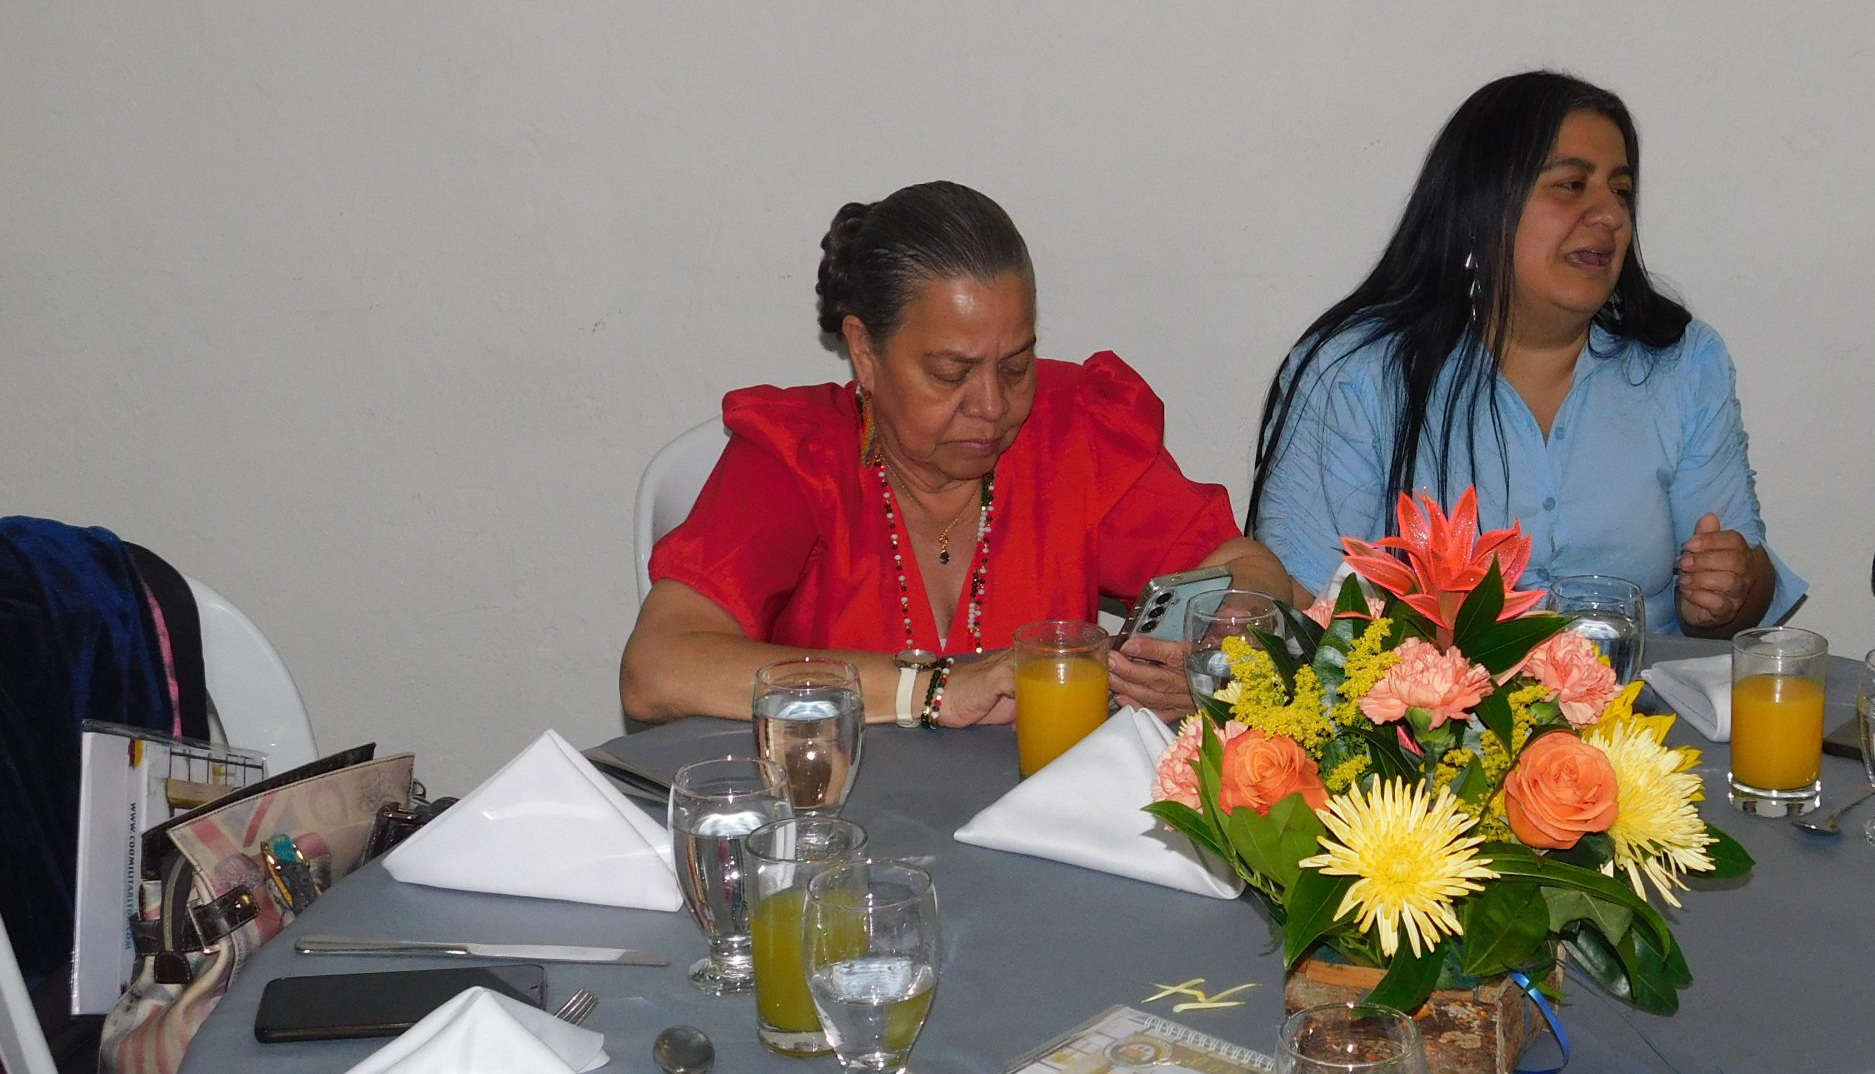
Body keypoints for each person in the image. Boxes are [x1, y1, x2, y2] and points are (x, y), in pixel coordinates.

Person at [622, 184, 1297, 728]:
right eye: (952, 373)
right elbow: (657, 669)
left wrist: (1217, 650)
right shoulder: (799, 457)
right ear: (865, 352)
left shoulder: (1073, 431)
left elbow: (1251, 568)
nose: (993, 406)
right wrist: (936, 689)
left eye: (1016, 367)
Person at [1249, 71, 1802, 635]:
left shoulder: (1681, 362)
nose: (1610, 215)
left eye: (1620, 191)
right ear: (1481, 208)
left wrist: (1729, 589)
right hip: (1424, 693)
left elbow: (1744, 587)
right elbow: (1299, 608)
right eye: (1571, 185)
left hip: (1642, 690)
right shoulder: (1355, 373)